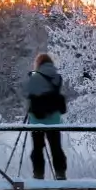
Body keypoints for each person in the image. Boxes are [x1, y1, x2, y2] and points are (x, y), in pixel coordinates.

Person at [24, 52, 68, 180]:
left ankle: (38, 174)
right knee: (56, 147)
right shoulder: (57, 77)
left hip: (37, 118)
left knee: (37, 148)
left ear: (38, 63)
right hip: (53, 118)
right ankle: (60, 173)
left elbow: (28, 92)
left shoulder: (34, 77)